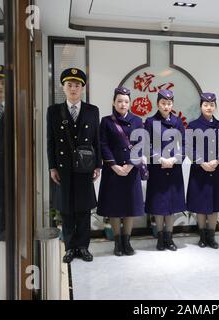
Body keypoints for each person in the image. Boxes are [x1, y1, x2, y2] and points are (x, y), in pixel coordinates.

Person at [47, 68, 102, 263]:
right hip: (63, 168)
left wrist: (98, 165)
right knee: (66, 208)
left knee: (84, 208)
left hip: (85, 167)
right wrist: (52, 167)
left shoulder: (92, 110)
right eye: (69, 85)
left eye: (77, 85)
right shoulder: (54, 111)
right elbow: (51, 141)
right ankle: (70, 247)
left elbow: (96, 140)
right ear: (63, 87)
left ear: (82, 88)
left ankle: (83, 247)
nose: (73, 88)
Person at [97, 87, 144, 256]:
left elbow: (140, 145)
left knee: (130, 207)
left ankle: (127, 241)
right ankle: (117, 242)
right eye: (119, 101)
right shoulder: (106, 121)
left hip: (131, 171)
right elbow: (103, 145)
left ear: (129, 103)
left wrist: (131, 165)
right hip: (113, 171)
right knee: (114, 207)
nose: (123, 104)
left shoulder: (138, 121)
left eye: (126, 101)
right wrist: (114, 165)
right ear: (113, 102)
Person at [186, 93, 219, 249]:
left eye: (212, 105)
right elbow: (188, 148)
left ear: (215, 107)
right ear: (201, 106)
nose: (209, 107)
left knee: (214, 204)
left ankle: (212, 236)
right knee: (200, 204)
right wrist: (202, 163)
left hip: (216, 169)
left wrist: (216, 161)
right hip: (199, 170)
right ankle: (202, 236)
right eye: (206, 105)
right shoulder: (192, 125)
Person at [145, 90, 186, 251]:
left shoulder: (178, 122)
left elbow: (184, 144)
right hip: (157, 168)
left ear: (172, 105)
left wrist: (174, 159)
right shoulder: (150, 121)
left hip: (174, 168)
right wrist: (160, 159)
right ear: (157, 104)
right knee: (159, 203)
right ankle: (160, 238)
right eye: (163, 103)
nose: (166, 106)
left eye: (169, 103)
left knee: (171, 203)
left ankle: (169, 237)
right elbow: (146, 144)